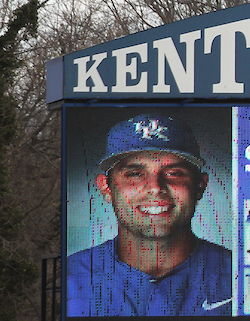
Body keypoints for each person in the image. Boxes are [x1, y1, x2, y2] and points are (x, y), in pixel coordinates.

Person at [66, 113, 233, 316]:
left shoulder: (243, 278)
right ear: (106, 188)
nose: (155, 188)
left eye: (174, 173)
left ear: (200, 185)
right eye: (135, 174)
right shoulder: (69, 277)